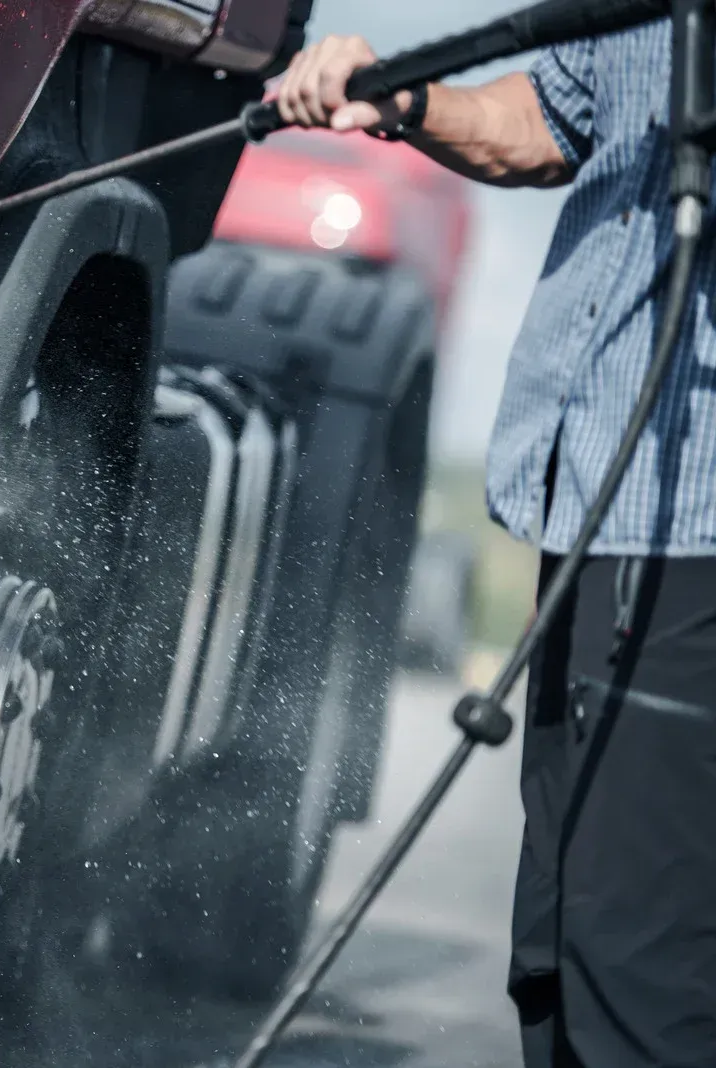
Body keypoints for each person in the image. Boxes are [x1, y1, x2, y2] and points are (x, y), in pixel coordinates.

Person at [276, 24, 716, 1068]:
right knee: (556, 950)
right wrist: (408, 102)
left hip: (691, 527)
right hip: (591, 512)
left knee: (643, 977)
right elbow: (548, 118)